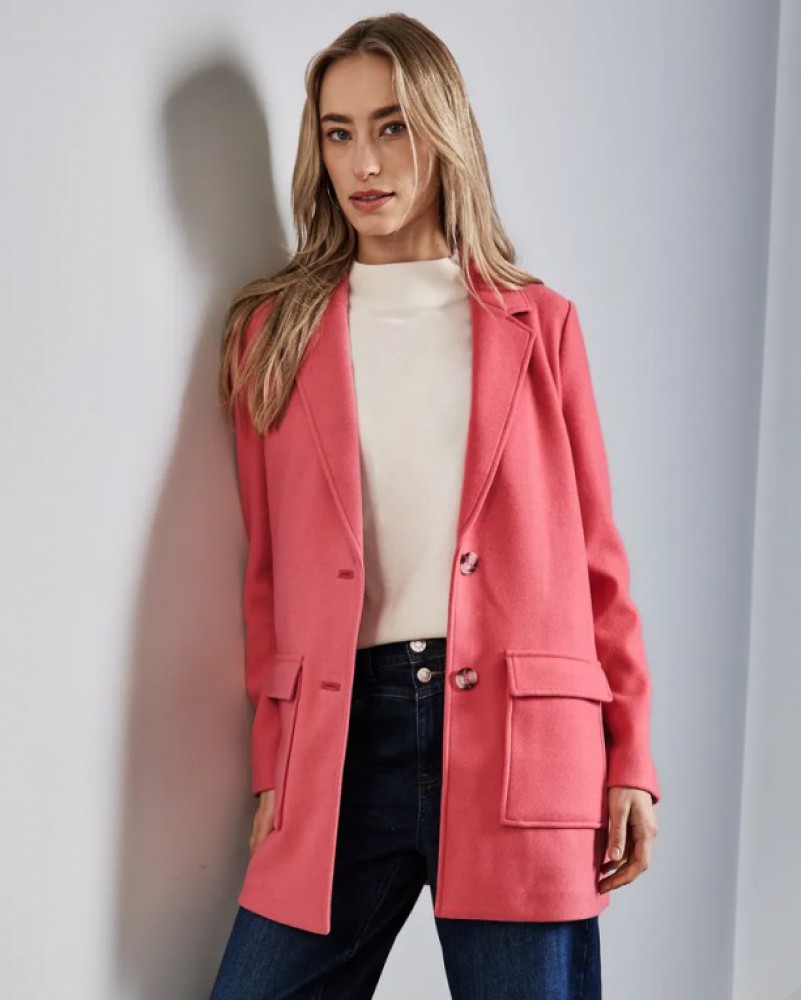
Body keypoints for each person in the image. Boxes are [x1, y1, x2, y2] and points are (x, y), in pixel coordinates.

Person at [210, 12, 660, 999]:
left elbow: (597, 559)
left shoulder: (539, 324)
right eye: (339, 133)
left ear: (444, 132)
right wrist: (273, 764)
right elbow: (266, 572)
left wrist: (631, 755)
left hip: (520, 739)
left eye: (393, 127)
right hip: (342, 742)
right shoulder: (272, 333)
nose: (364, 163)